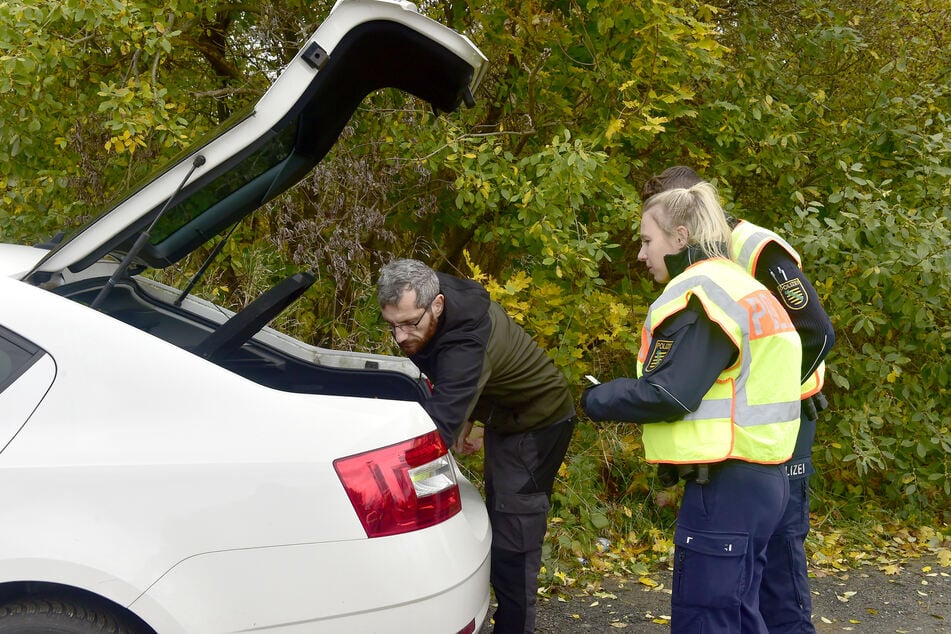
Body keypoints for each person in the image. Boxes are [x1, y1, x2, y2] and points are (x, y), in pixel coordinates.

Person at [581, 182, 803, 633]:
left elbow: (671, 393)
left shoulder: (703, 292)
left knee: (706, 618)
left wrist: (591, 399)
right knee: (740, 615)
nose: (641, 254)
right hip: (762, 479)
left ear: (681, 237)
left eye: (647, 240)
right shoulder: (744, 287)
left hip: (727, 485)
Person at [643, 166, 835, 633]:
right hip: (744, 434)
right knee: (747, 576)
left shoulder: (752, 247)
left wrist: (778, 392)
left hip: (782, 424)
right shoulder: (701, 262)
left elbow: (815, 331)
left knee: (779, 572)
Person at [377, 258, 576, 634]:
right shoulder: (428, 294)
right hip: (505, 416)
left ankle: (515, 627)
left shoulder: (466, 338)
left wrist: (389, 487)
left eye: (408, 324)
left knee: (514, 531)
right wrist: (471, 418)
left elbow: (438, 429)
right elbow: (459, 383)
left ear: (437, 304)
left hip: (540, 422)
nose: (401, 337)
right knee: (498, 516)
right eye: (392, 325)